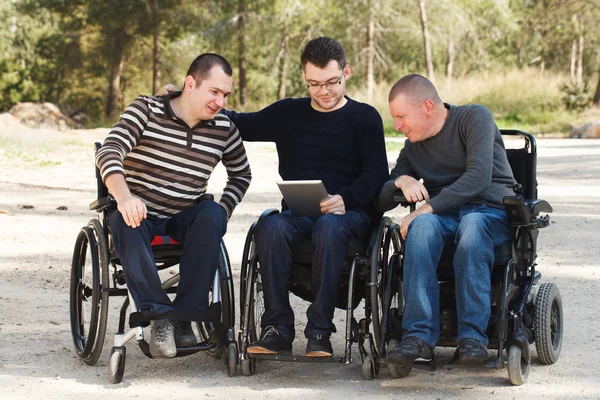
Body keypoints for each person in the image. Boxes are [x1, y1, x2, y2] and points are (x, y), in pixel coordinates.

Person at [162, 37, 388, 356]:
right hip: (299, 213)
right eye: (314, 84)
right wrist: (186, 99)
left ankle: (319, 331)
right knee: (270, 226)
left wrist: (345, 199)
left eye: (331, 83)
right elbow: (237, 123)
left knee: (329, 227)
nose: (323, 91)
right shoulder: (289, 114)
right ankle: (277, 328)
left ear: (346, 73)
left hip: (348, 216)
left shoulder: (365, 118)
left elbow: (377, 176)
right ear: (304, 78)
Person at [95, 53, 252, 358]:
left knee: (211, 216)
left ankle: (186, 318)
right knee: (127, 220)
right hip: (139, 211)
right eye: (214, 92)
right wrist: (125, 197)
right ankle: (161, 318)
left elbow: (241, 174)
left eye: (225, 95)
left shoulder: (223, 128)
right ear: (190, 84)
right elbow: (109, 151)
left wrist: (224, 209)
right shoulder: (147, 109)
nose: (221, 102)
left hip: (185, 215)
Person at [379, 74, 516, 367]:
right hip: (445, 217)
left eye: (402, 116)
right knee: (421, 227)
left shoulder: (473, 117)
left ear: (427, 106)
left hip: (491, 212)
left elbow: (479, 178)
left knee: (471, 225)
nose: (397, 125)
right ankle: (418, 337)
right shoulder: (414, 146)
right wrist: (402, 179)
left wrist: (427, 207)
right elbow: (384, 191)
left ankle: (473, 338)